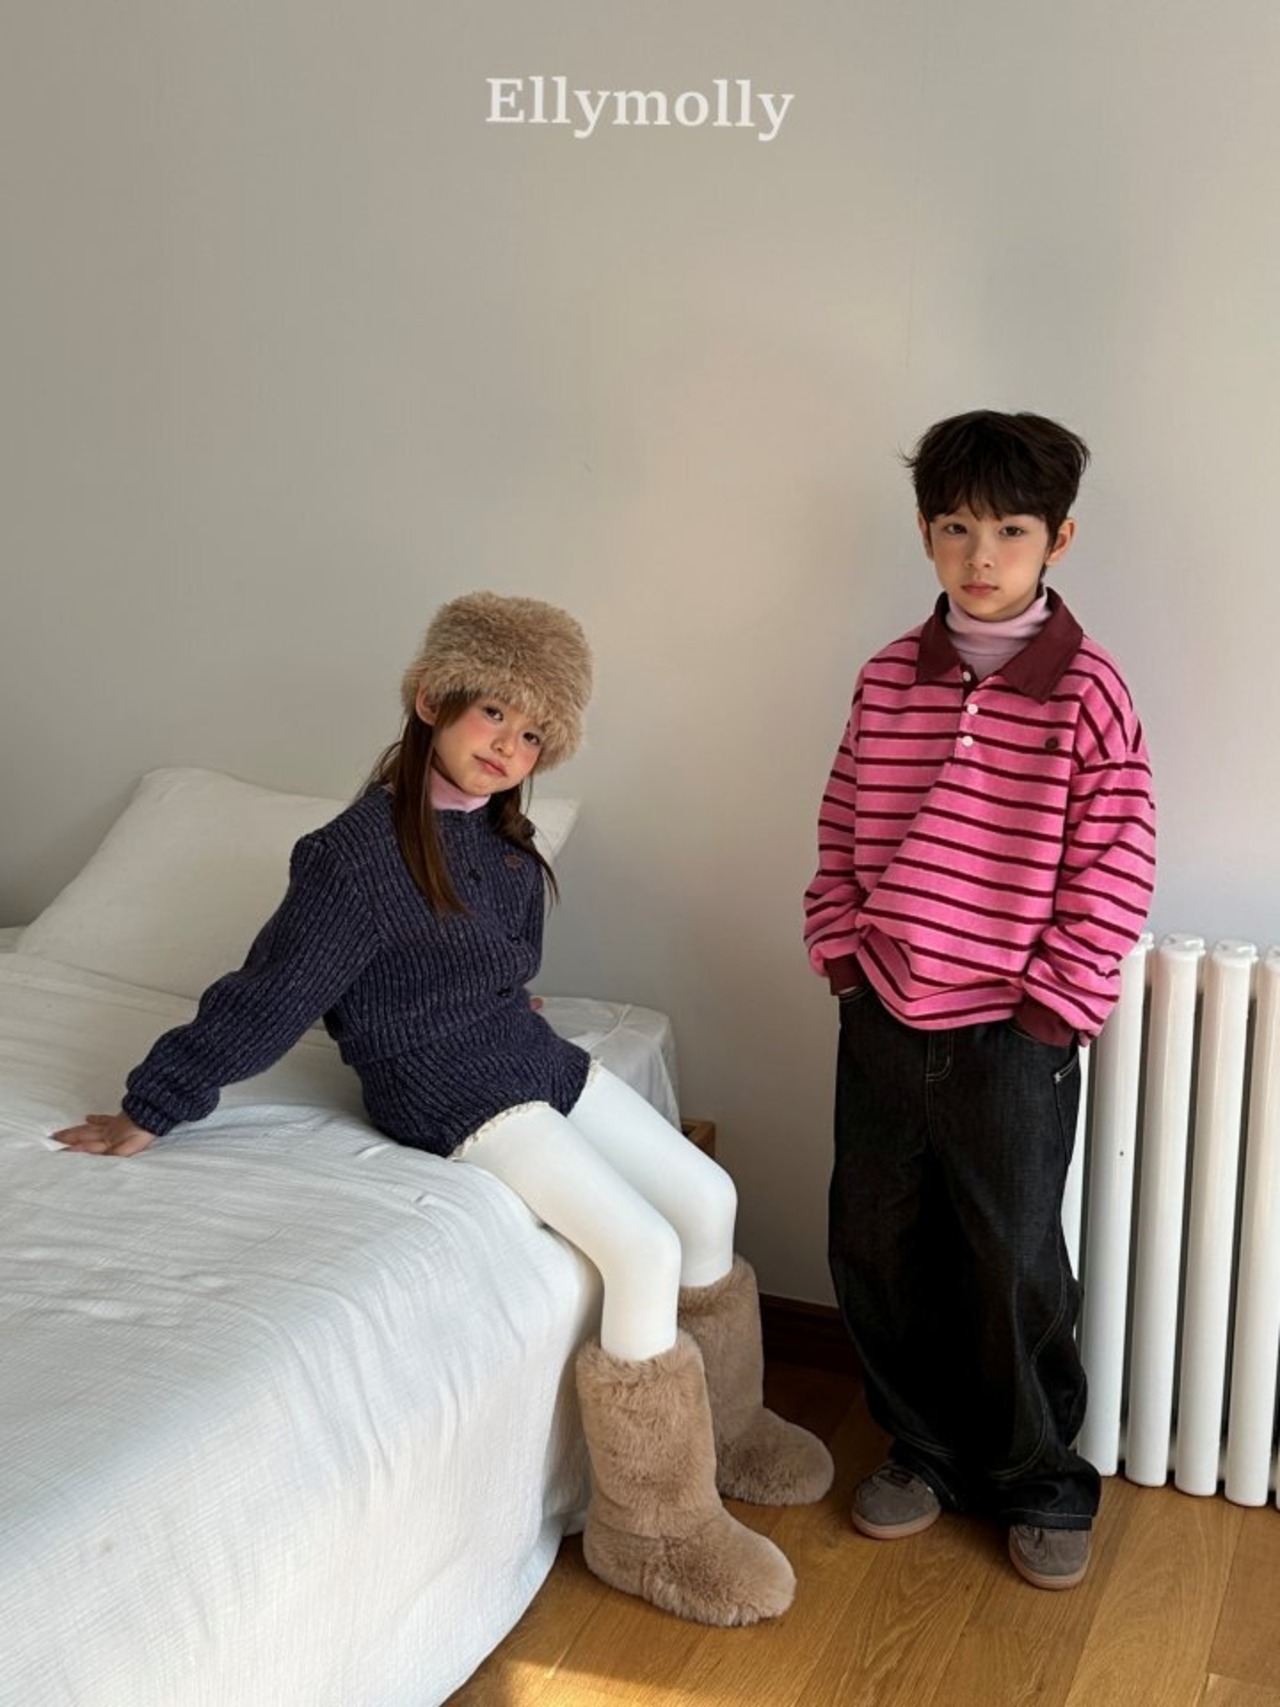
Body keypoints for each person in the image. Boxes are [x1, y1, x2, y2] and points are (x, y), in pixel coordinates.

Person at [55, 590, 832, 1627]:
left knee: (705, 1197)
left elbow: (502, 960)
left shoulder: (504, 844)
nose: (508, 745)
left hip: (512, 1047)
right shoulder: (353, 856)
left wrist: (504, 994)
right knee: (641, 1249)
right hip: (437, 1082)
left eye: (533, 734)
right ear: (431, 700)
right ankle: (650, 1527)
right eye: (492, 713)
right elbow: (272, 994)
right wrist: (153, 1104)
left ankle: (723, 1435)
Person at [803, 412, 1156, 1590]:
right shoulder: (886, 678)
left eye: (1008, 530)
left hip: (1014, 1031)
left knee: (1010, 1260)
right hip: (883, 1011)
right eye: (954, 528)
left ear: (1057, 539)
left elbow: (1114, 860)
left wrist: (1052, 1008)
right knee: (874, 1240)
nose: (980, 555)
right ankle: (923, 1448)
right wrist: (843, 957)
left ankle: (1038, 1477)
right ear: (924, 534)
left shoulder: (1086, 691)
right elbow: (840, 825)